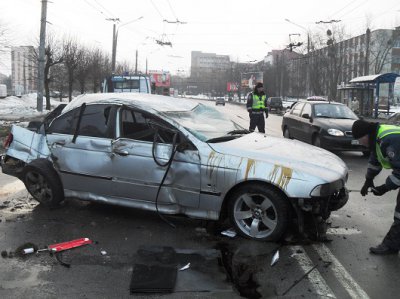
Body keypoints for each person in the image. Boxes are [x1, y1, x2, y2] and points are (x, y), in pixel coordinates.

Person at [352, 119, 400, 255]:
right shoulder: (377, 138)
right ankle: (393, 245)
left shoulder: (388, 140)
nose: (361, 143)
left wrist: (385, 187)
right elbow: (375, 159)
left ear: (366, 135)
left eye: (360, 140)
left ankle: (390, 246)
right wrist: (368, 181)